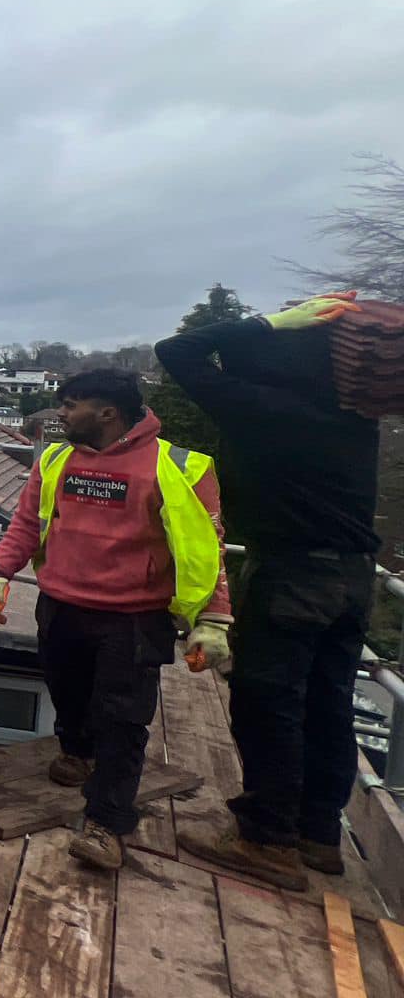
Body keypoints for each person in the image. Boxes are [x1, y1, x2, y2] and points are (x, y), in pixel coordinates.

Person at [155, 292, 377, 891]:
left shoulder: (267, 408)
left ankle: (267, 839)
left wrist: (269, 322)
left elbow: (177, 350)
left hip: (294, 575)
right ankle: (318, 835)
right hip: (353, 578)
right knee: (328, 705)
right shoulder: (353, 414)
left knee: (267, 703)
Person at [0, 369, 232, 872]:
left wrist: (215, 619)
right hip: (61, 605)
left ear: (108, 413)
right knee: (66, 691)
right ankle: (76, 751)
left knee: (122, 719)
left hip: (134, 618)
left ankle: (106, 825)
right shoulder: (55, 459)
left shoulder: (179, 467)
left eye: (72, 404)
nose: (62, 414)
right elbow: (28, 523)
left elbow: (208, 549)